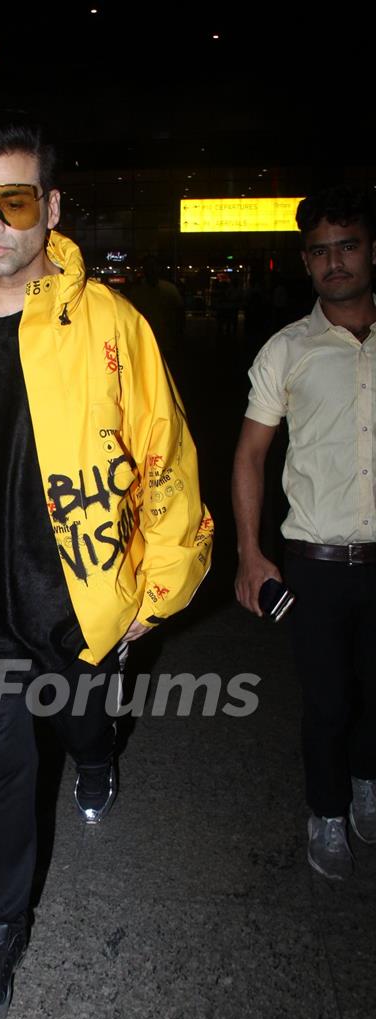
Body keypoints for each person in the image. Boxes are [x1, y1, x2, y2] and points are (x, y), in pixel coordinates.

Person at [0, 117, 212, 1019]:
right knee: (2, 767)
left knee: (87, 719)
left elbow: (165, 455)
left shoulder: (111, 326)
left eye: (12, 201)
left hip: (84, 595)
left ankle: (97, 759)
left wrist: (162, 588)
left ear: (50, 208)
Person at [233, 186, 376, 881]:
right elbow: (251, 453)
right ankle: (325, 809)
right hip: (315, 561)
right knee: (327, 699)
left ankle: (368, 787)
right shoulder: (286, 351)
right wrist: (250, 553)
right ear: (305, 262)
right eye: (320, 251)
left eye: (346, 245)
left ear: (371, 249)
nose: (335, 262)